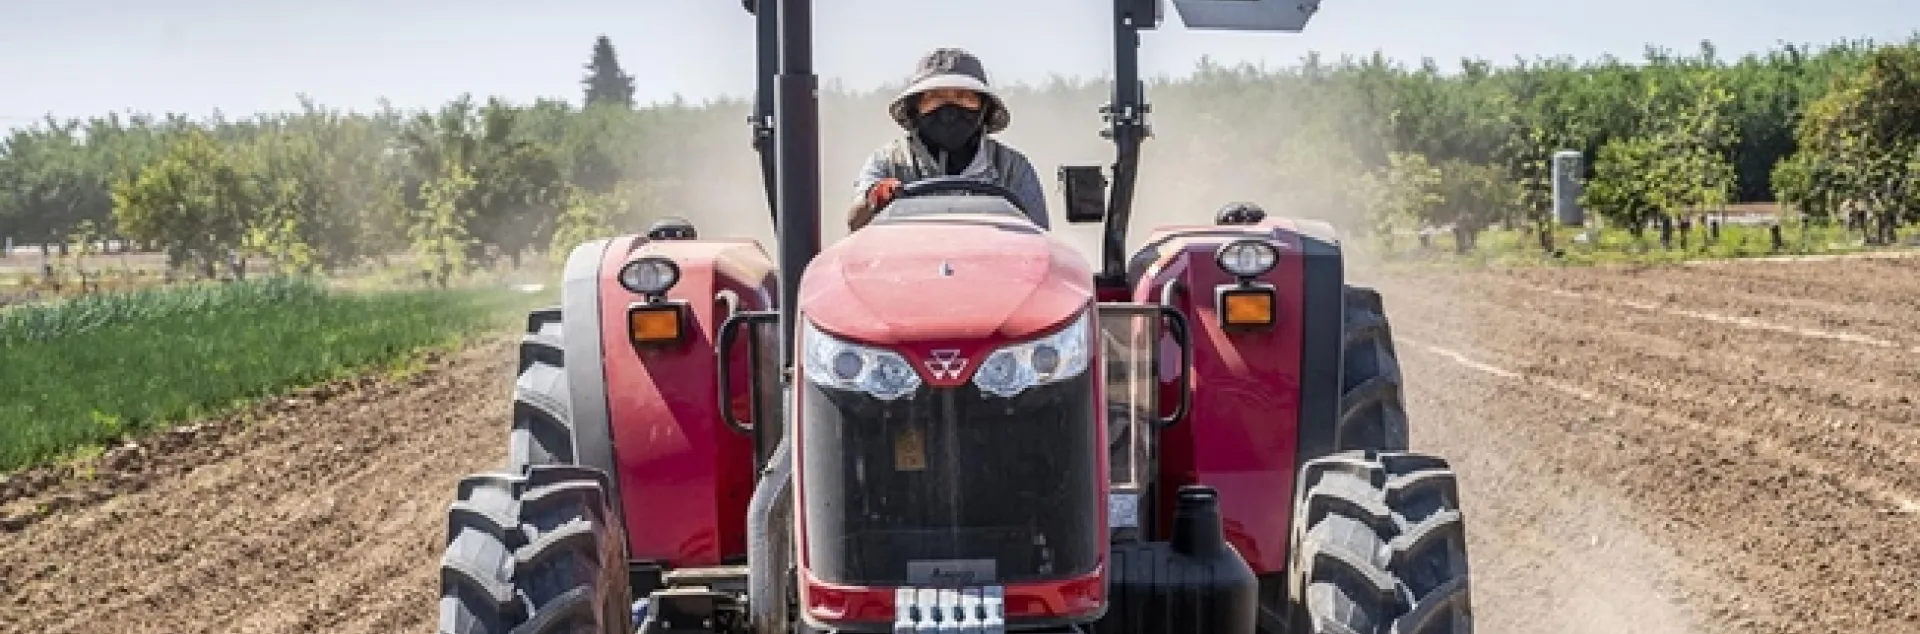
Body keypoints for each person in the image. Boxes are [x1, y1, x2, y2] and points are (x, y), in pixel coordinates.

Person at [847, 48, 1049, 231]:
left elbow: (1039, 241)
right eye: (935, 97)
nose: (949, 108)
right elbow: (855, 223)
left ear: (983, 108)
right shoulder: (888, 162)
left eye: (963, 96)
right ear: (915, 108)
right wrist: (875, 198)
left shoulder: (1012, 168)